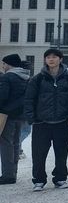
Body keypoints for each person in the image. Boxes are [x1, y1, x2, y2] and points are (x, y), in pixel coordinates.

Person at [23, 48, 68, 190]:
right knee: (38, 154)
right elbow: (29, 99)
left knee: (61, 153)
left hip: (62, 122)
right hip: (41, 123)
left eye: (54, 57)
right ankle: (39, 179)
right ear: (45, 60)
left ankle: (60, 178)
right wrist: (32, 118)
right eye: (48, 57)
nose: (51, 59)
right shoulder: (37, 79)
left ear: (60, 59)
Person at [0, 54, 30, 184]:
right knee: (16, 143)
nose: (3, 66)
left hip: (7, 115)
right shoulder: (26, 77)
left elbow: (3, 96)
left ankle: (8, 175)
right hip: (21, 115)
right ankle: (13, 173)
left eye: (4, 64)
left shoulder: (8, 77)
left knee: (6, 144)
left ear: (9, 64)